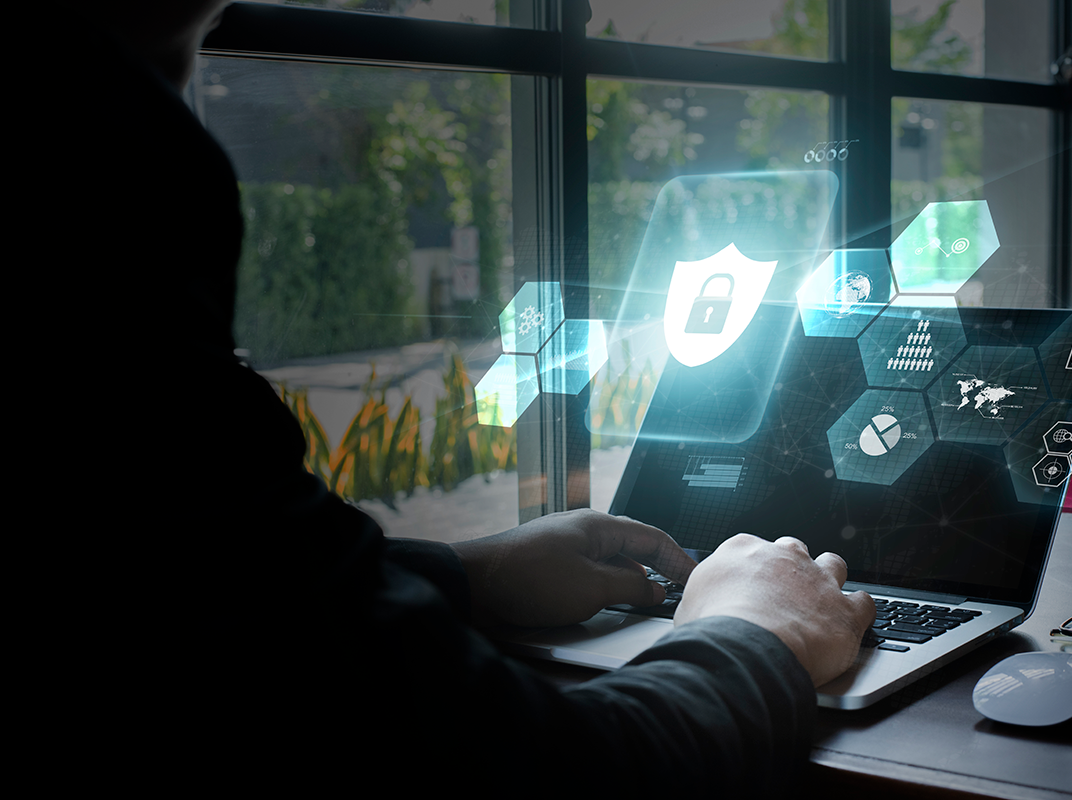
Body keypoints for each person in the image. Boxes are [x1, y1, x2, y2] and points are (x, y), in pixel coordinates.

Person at [49, 1, 874, 791]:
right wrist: (762, 633)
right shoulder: (106, 174)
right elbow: (555, 779)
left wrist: (463, 571)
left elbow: (213, 584)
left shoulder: (122, 145)